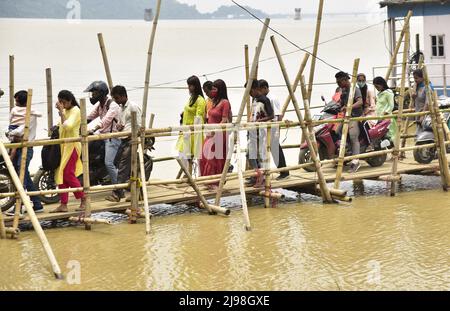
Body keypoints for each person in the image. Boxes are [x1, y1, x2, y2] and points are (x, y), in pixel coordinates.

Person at [4, 90, 44, 216]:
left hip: (26, 148)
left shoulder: (30, 115)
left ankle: (19, 207)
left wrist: (11, 133)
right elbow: (11, 125)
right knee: (24, 175)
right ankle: (37, 204)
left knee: (21, 175)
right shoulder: (17, 112)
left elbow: (21, 131)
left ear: (22, 103)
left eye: (17, 101)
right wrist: (10, 133)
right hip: (17, 145)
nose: (15, 104)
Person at [50, 90, 86, 213]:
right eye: (60, 102)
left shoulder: (76, 110)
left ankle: (84, 199)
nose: (62, 105)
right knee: (60, 174)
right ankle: (63, 204)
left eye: (63, 102)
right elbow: (62, 126)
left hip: (73, 146)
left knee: (68, 173)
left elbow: (69, 126)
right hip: (64, 146)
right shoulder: (65, 111)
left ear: (70, 100)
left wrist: (61, 112)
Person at [106, 85, 142, 202]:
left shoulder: (133, 107)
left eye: (117, 98)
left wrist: (133, 135)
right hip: (123, 139)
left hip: (132, 140)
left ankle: (117, 193)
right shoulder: (121, 108)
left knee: (123, 166)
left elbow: (139, 126)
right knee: (118, 164)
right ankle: (137, 193)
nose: (116, 101)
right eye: (114, 98)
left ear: (123, 96)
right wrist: (119, 126)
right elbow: (121, 125)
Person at [84, 81, 121, 194]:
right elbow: (89, 117)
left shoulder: (113, 105)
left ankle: (119, 189)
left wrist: (94, 129)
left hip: (112, 137)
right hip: (102, 134)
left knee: (108, 163)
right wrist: (79, 124)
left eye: (94, 93)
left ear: (101, 93)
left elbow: (106, 121)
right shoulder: (100, 105)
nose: (92, 96)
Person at [199, 79, 232, 190]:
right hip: (209, 133)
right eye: (212, 88)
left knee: (214, 158)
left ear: (220, 89)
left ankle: (215, 182)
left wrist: (216, 129)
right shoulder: (213, 101)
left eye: (214, 88)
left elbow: (224, 119)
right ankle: (207, 180)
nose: (212, 90)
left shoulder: (225, 103)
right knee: (204, 156)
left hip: (219, 134)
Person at [258, 79, 289, 180]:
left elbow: (279, 115)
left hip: (273, 127)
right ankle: (276, 171)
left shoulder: (272, 99)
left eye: (260, 90)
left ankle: (284, 172)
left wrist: (277, 130)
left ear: (265, 88)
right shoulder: (264, 98)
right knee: (271, 149)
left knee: (276, 150)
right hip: (267, 128)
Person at [246, 80, 274, 187]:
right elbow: (253, 114)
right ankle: (257, 175)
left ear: (254, 89)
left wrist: (260, 121)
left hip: (261, 131)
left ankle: (260, 177)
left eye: (250, 91)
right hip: (252, 130)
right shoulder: (255, 99)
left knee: (257, 155)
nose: (249, 93)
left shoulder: (265, 100)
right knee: (250, 154)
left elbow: (271, 116)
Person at [176, 76, 206, 175]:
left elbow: (199, 116)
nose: (188, 88)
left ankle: (196, 177)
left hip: (193, 133)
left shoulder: (200, 100)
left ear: (195, 86)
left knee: (193, 156)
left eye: (190, 85)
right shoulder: (191, 98)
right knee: (182, 155)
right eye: (188, 85)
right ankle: (187, 175)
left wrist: (193, 129)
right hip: (185, 131)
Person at [335, 71, 363, 173]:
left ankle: (356, 162)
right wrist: (340, 106)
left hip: (355, 117)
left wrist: (349, 107)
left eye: (339, 82)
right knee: (337, 132)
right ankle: (348, 153)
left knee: (353, 137)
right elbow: (342, 103)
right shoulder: (343, 90)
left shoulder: (355, 89)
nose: (338, 84)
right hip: (347, 116)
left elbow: (360, 102)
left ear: (345, 80)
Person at [373, 77, 397, 141]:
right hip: (379, 117)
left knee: (389, 135)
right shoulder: (379, 94)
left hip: (387, 117)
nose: (377, 89)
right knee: (381, 136)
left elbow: (391, 105)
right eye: (375, 87)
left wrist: (385, 113)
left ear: (382, 84)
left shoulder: (388, 93)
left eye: (377, 86)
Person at [411, 69, 433, 133]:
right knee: (418, 131)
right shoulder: (417, 87)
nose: (415, 80)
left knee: (424, 132)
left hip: (425, 114)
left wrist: (422, 115)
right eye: (414, 78)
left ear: (422, 77)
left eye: (416, 78)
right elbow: (415, 100)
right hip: (418, 112)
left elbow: (428, 103)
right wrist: (413, 96)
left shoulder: (427, 87)